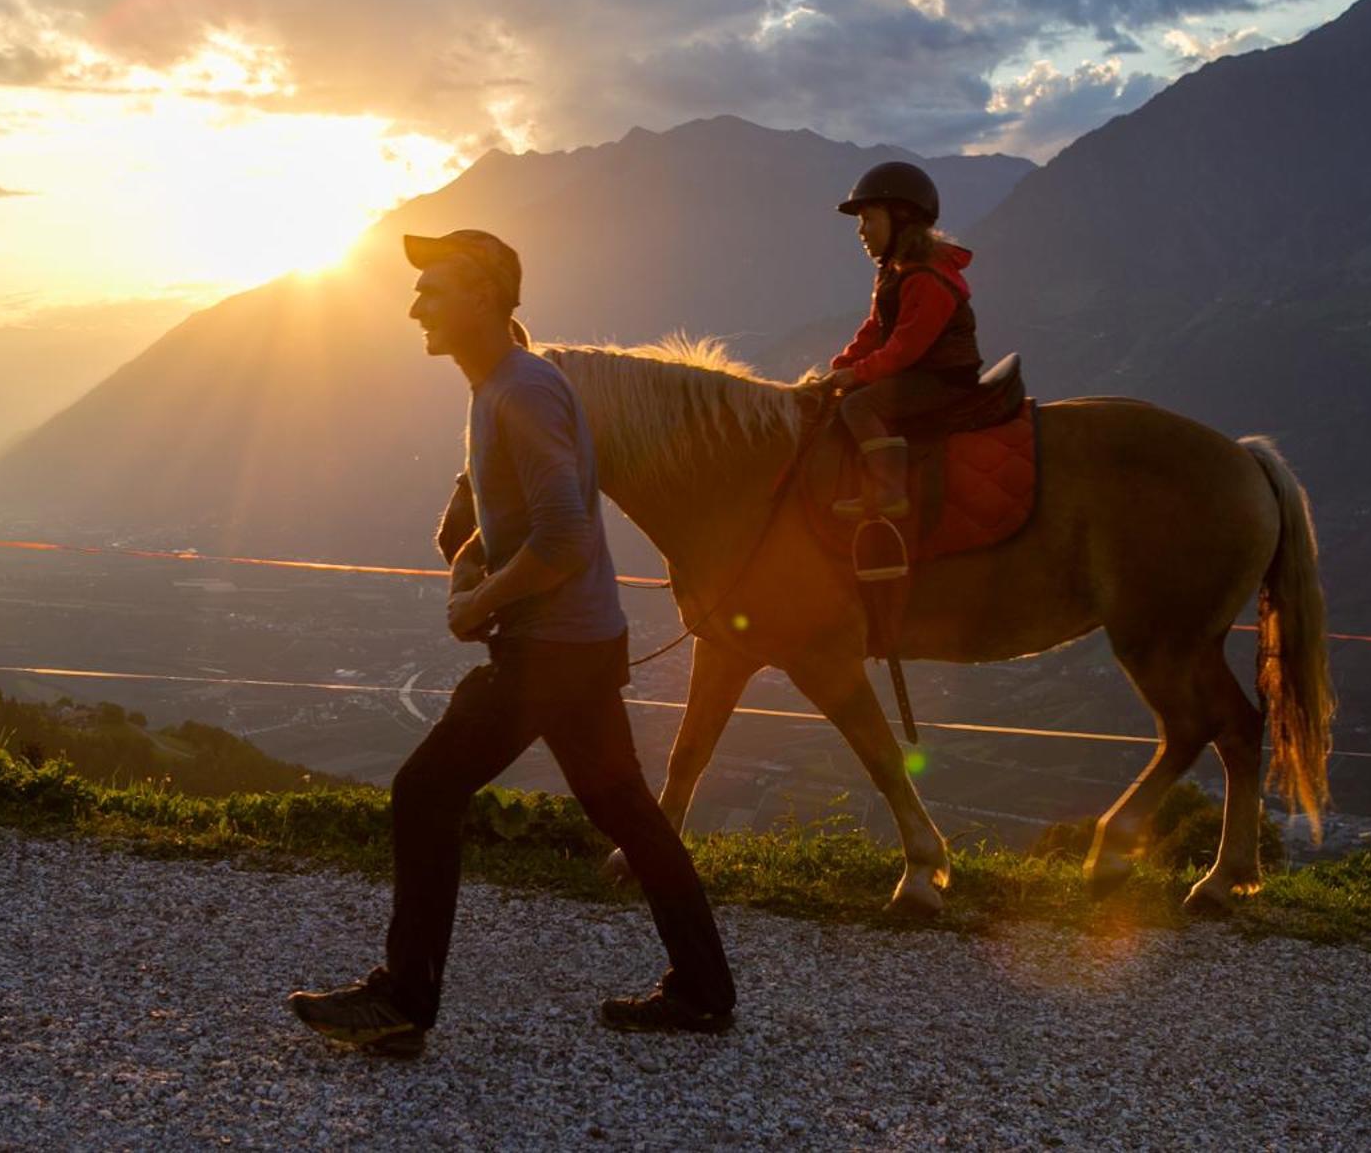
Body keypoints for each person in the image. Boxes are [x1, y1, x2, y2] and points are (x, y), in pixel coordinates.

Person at [286, 228, 737, 1058]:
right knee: (627, 810)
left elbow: (564, 534)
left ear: (484, 298)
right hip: (582, 641)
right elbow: (519, 518)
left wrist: (479, 603)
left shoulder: (519, 393)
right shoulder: (505, 382)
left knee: (424, 790)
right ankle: (705, 989)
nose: (415, 301)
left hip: (551, 652)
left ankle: (404, 1001)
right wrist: (471, 563)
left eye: (435, 287)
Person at [818, 161, 986, 519]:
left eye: (869, 219)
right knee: (844, 398)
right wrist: (841, 367)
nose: (861, 231)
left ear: (902, 219)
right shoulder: (898, 273)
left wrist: (858, 375)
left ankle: (888, 491)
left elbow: (905, 347)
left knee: (859, 406)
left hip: (943, 379)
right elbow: (875, 329)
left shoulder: (926, 278)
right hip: (922, 373)